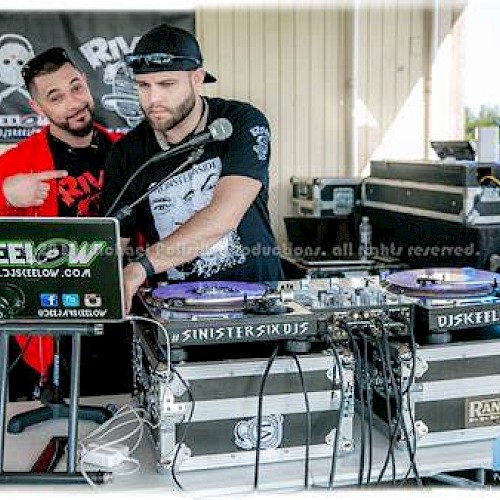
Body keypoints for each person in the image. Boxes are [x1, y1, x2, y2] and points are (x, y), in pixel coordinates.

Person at [100, 24, 282, 312]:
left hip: (256, 304)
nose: (153, 99)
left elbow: (224, 217)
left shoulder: (242, 122)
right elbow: (114, 242)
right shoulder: (127, 153)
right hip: (179, 312)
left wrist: (141, 267)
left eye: (167, 84)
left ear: (197, 79)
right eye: (143, 86)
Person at [0, 47, 127, 399]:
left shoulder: (125, 150)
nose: (74, 102)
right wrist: (6, 194)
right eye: (56, 97)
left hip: (121, 314)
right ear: (37, 108)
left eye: (75, 87)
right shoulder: (17, 163)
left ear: (86, 83)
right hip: (51, 324)